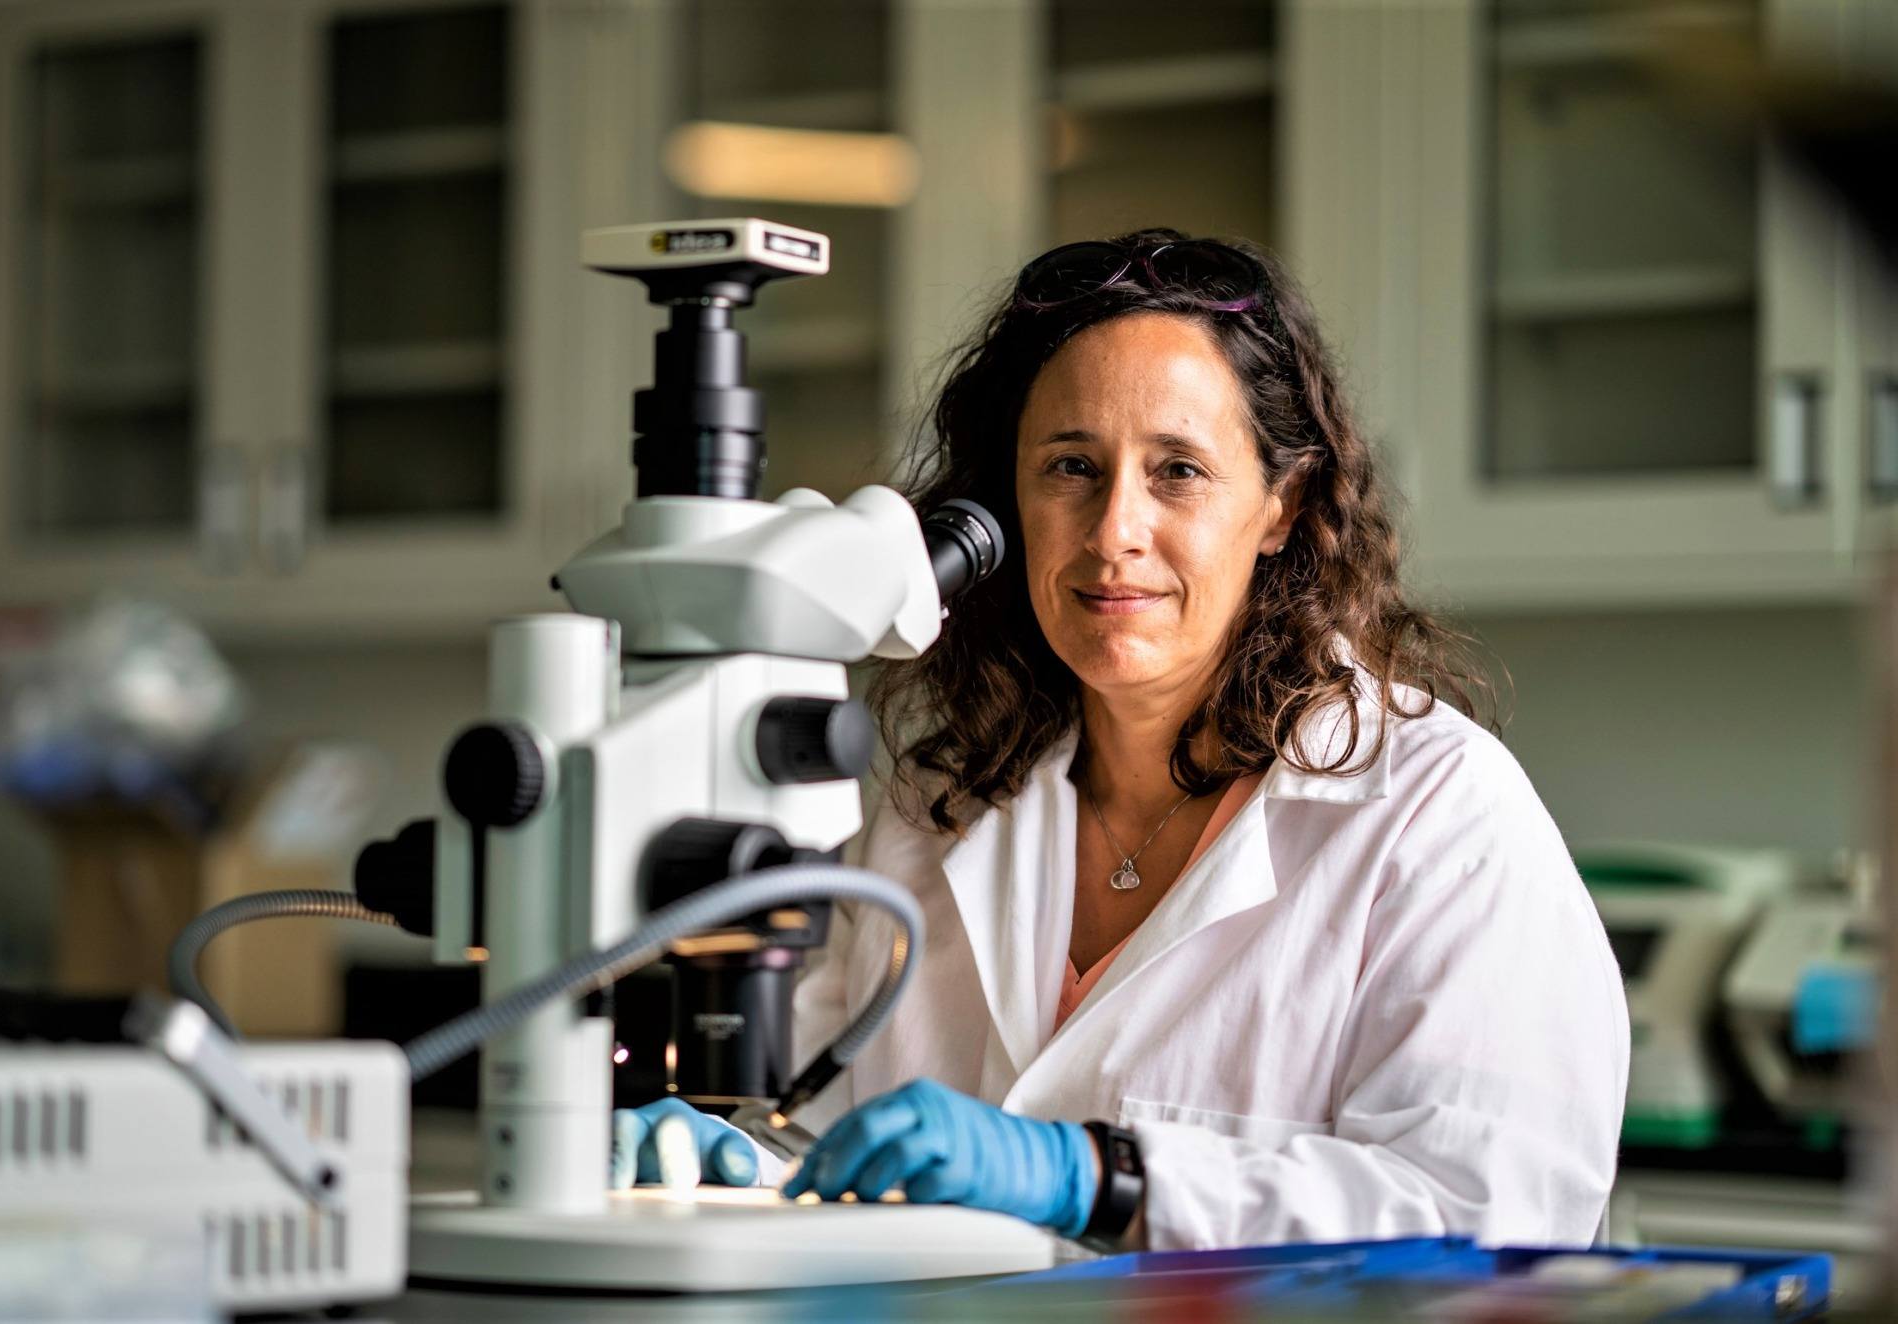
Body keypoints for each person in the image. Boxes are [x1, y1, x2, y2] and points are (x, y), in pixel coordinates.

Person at [615, 229, 1629, 1250]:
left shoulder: (1438, 815)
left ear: (1282, 505)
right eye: (1071, 467)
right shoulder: (937, 806)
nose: (1112, 533)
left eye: (1178, 470)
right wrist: (732, 1162)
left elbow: (1492, 1218)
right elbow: (839, 1147)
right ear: (1006, 502)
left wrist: (1101, 1175)